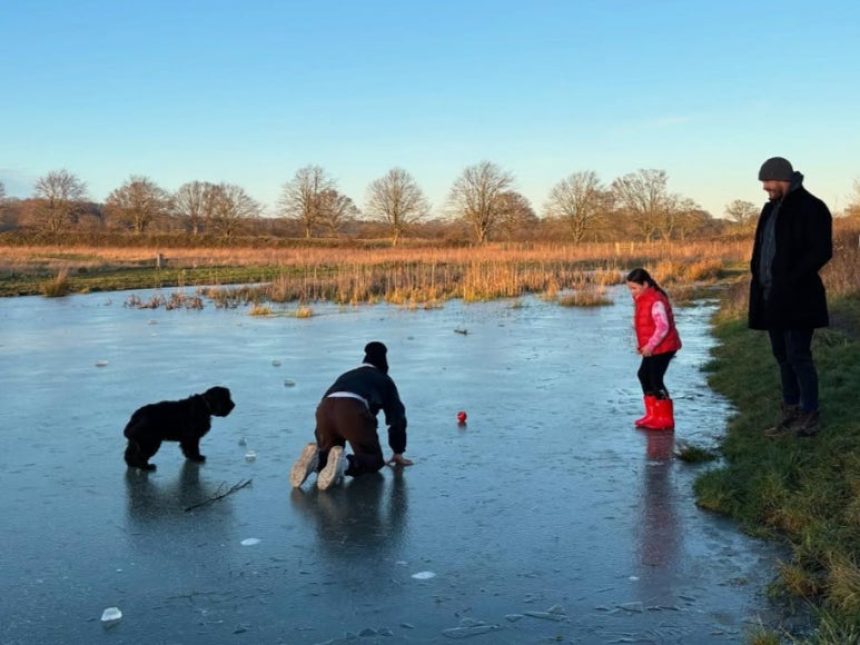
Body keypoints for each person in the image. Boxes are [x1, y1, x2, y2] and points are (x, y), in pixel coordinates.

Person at [749, 157, 832, 438]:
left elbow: (822, 251)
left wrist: (791, 278)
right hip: (770, 297)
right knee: (782, 355)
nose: (765, 188)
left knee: (799, 355)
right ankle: (791, 410)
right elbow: (762, 249)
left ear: (781, 177)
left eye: (767, 182)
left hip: (799, 297)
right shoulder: (770, 209)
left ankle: (810, 414)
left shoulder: (813, 207)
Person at [290, 341, 412, 491]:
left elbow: (326, 404)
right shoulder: (384, 379)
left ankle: (316, 461)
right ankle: (345, 465)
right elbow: (397, 418)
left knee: (329, 458)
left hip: (324, 410)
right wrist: (398, 450)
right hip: (352, 410)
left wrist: (321, 442)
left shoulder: (347, 375)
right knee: (373, 460)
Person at [626, 268, 682, 430]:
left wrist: (649, 346)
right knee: (643, 374)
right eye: (630, 288)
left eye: (634, 288)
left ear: (645, 284)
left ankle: (665, 418)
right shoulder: (642, 299)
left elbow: (663, 327)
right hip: (654, 346)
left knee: (655, 379)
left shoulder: (655, 300)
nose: (632, 292)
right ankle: (653, 414)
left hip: (664, 346)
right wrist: (644, 346)